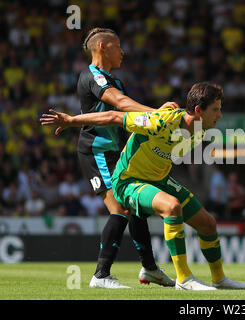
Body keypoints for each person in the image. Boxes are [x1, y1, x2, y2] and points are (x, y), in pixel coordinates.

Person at [40, 82, 245, 291]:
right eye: (216, 110)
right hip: (129, 181)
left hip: (158, 179)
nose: (220, 115)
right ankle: (184, 279)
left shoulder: (201, 129)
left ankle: (219, 279)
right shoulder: (161, 122)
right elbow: (114, 117)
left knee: (208, 224)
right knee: (172, 207)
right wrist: (71, 120)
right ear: (198, 110)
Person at [73, 27, 174, 288]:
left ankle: (150, 268)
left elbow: (128, 118)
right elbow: (119, 103)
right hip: (98, 151)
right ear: (103, 46)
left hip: (116, 152)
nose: (123, 51)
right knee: (121, 209)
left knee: (136, 207)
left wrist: (153, 123)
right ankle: (101, 275)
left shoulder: (115, 80)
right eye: (118, 46)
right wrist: (157, 114)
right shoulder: (92, 76)